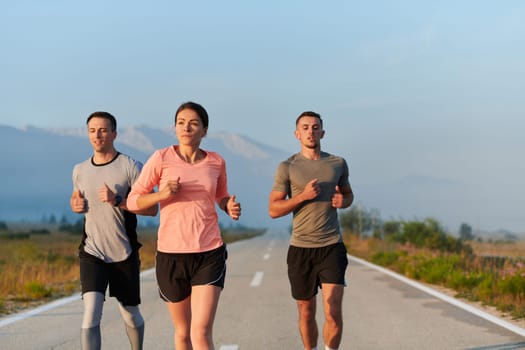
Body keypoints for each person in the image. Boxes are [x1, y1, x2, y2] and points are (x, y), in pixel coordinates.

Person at [126, 101, 241, 350]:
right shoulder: (161, 158)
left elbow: (221, 195)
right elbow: (133, 201)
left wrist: (227, 205)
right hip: (171, 254)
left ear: (204, 130)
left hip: (208, 251)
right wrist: (161, 195)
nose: (186, 127)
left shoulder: (216, 162)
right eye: (181, 123)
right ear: (175, 128)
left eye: (193, 123)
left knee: (200, 332)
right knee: (183, 333)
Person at [70, 111, 158, 350]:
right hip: (92, 252)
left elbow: (152, 209)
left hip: (124, 253)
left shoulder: (130, 166)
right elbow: (76, 199)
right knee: (91, 313)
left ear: (114, 133)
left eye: (103, 130)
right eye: (92, 130)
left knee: (129, 312)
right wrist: (75, 205)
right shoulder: (79, 170)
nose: (97, 135)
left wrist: (118, 199)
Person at [268, 111, 354, 350]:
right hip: (301, 249)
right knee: (306, 312)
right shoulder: (287, 166)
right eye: (305, 127)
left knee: (332, 311)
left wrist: (342, 201)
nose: (310, 131)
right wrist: (303, 196)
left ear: (322, 132)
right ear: (297, 134)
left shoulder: (337, 163)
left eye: (315, 127)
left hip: (331, 246)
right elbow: (274, 209)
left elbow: (348, 194)